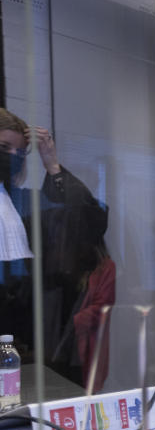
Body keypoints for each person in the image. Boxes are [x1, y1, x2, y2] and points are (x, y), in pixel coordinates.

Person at [0, 109, 113, 392]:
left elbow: (89, 220)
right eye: (4, 148)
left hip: (28, 335)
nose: (12, 156)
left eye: (20, 152)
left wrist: (51, 162)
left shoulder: (25, 204)